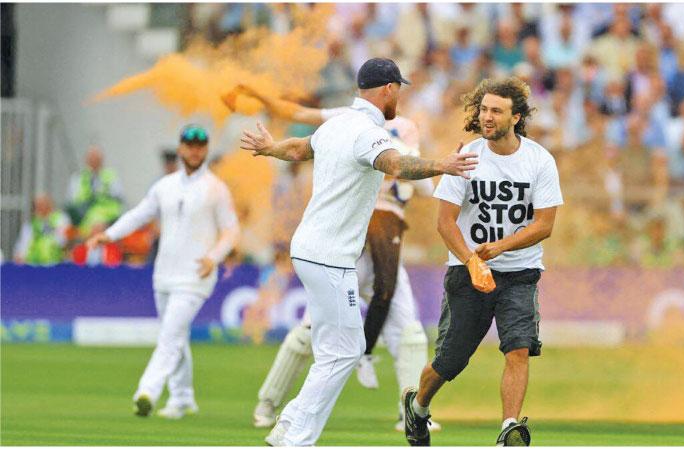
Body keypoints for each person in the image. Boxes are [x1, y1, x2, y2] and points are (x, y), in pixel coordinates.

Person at [239, 57, 477, 446]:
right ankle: (295, 437)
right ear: (387, 89)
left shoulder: (337, 124)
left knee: (332, 349)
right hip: (329, 255)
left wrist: (269, 149)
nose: (399, 96)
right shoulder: (369, 132)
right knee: (345, 352)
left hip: (312, 249)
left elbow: (301, 148)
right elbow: (396, 165)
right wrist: (443, 165)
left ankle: (290, 421)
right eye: (398, 88)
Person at [402, 77, 563, 447]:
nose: (486, 117)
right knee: (450, 361)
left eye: (496, 111)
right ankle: (418, 405)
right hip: (467, 272)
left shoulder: (539, 160)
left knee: (518, 348)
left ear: (516, 117)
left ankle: (510, 427)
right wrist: (472, 261)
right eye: (484, 109)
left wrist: (499, 248)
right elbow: (444, 222)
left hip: (520, 272)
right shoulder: (468, 156)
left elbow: (545, 224)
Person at [86, 125, 240, 419]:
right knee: (176, 336)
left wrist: (214, 257)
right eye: (189, 145)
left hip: (196, 276)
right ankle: (183, 398)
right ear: (181, 148)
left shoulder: (216, 189)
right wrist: (110, 234)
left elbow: (231, 231)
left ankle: (147, 392)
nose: (195, 150)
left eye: (200, 145)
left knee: (169, 336)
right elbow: (139, 214)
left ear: (205, 150)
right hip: (165, 275)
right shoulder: (165, 186)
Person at [67, 145, 124, 237]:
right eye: (91, 158)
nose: (94, 161)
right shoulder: (78, 178)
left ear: (102, 160)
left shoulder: (111, 176)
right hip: (84, 219)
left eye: (97, 158)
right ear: (86, 160)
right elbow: (72, 201)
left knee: (100, 228)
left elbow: (119, 199)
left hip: (108, 219)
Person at [13, 193, 70, 266]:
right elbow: (23, 246)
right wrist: (20, 257)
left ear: (50, 205)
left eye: (42, 204)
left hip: (56, 265)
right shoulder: (31, 225)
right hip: (33, 266)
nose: (39, 208)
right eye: (36, 206)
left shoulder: (61, 219)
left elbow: (64, 242)